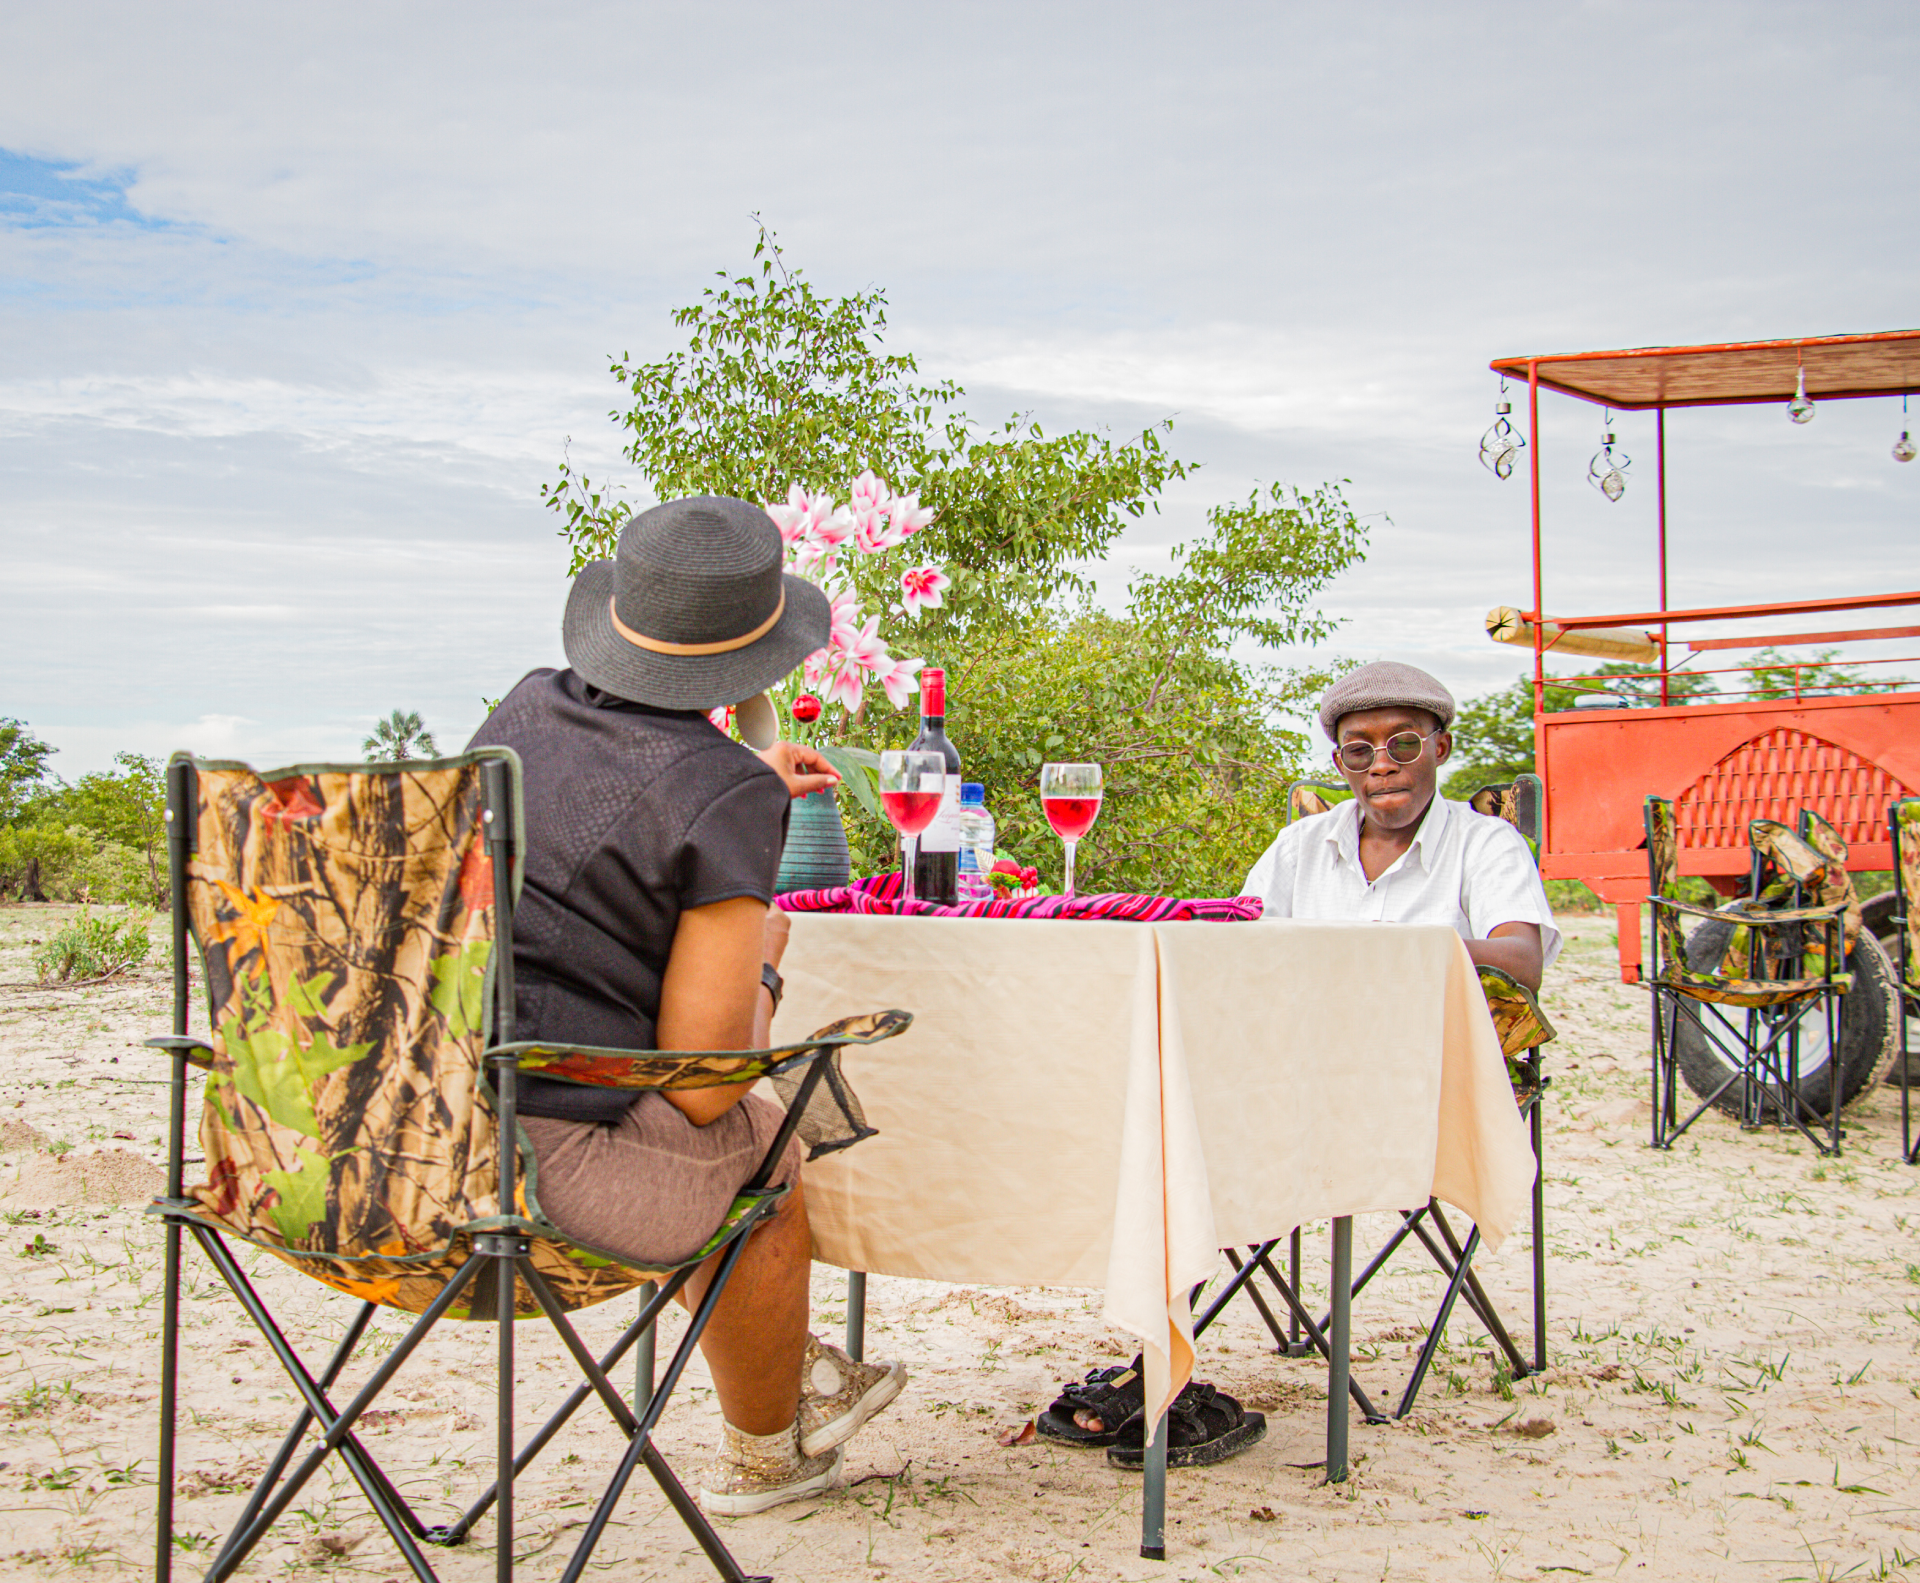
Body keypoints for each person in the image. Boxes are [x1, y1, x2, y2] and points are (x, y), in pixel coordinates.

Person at [470, 495, 906, 1516]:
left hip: (380, 1144)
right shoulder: (718, 792)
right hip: (531, 1179)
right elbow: (708, 1084)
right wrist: (759, 950)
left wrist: (731, 778)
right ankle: (770, 1446)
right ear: (757, 653)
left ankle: (800, 1372)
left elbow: (594, 801)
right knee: (766, 1140)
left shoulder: (524, 709)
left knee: (739, 1131)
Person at [1037, 660, 1559, 1457]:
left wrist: (1380, 956)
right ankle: (1161, 1366)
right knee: (1168, 1122)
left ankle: (1159, 1373)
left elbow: (1521, 957)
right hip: (1290, 1078)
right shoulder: (1299, 847)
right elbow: (1239, 953)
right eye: (1358, 750)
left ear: (1441, 747)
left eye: (1403, 742)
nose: (1381, 763)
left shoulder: (1484, 844)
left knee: (1200, 1127)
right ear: (1341, 762)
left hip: (1421, 1085)